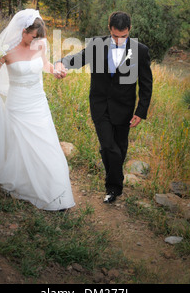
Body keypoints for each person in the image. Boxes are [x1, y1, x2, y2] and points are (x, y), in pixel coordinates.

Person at [0, 9, 75, 211]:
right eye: (33, 36)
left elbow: (45, 64)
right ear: (23, 31)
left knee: (45, 141)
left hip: (38, 101)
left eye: (38, 38)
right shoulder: (6, 50)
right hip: (17, 102)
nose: (35, 41)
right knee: (19, 143)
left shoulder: (40, 44)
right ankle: (20, 179)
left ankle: (53, 186)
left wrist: (55, 71)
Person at [55, 11, 152, 204]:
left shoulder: (140, 50)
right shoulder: (97, 45)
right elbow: (79, 58)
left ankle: (113, 181)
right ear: (110, 29)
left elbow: (146, 84)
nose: (118, 40)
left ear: (129, 31)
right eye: (115, 36)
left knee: (120, 148)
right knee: (109, 146)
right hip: (100, 105)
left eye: (123, 36)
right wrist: (61, 63)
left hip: (124, 108)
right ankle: (114, 187)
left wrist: (140, 111)